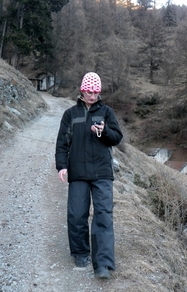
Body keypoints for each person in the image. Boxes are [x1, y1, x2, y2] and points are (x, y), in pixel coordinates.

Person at [55, 72, 123, 279]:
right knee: (76, 215)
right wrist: (62, 166)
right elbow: (61, 143)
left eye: (95, 92)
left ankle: (103, 264)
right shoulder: (70, 114)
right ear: (81, 91)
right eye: (89, 91)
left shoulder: (107, 112)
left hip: (102, 172)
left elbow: (116, 138)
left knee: (103, 215)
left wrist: (103, 132)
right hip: (78, 173)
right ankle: (80, 253)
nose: (92, 96)